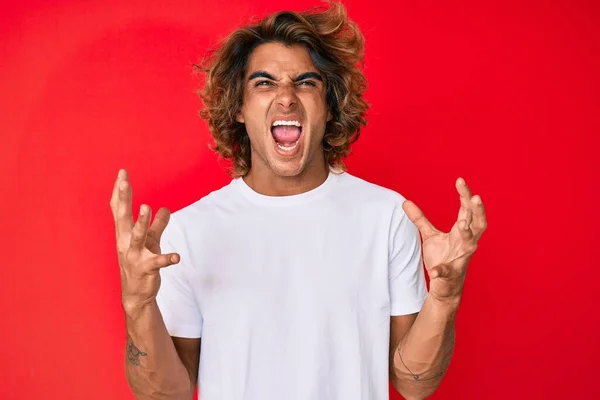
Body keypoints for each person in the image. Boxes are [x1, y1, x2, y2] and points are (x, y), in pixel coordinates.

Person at [109, 2, 487, 399]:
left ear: (329, 106)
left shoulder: (388, 217)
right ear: (238, 108)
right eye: (264, 83)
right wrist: (137, 304)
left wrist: (445, 296)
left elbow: (414, 384)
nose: (286, 98)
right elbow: (167, 395)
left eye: (306, 83)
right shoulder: (187, 233)